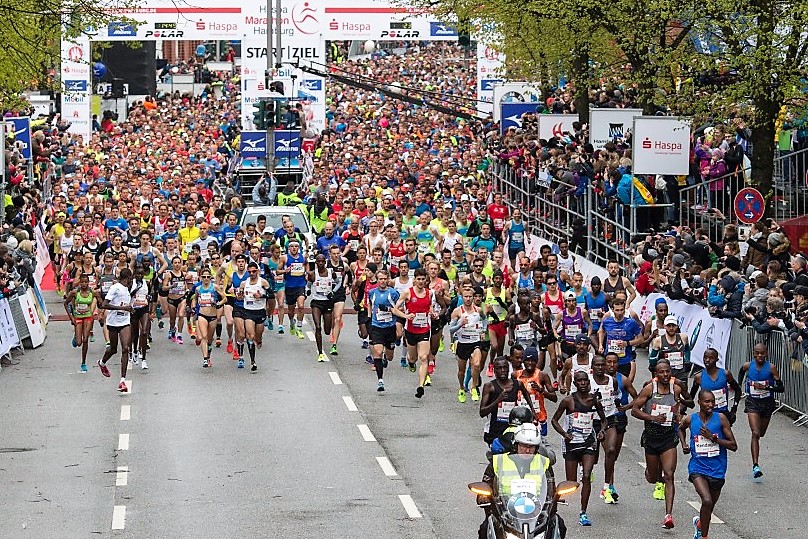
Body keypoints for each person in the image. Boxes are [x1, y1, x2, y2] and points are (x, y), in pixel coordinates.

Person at [631, 359, 691, 529]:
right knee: (653, 478)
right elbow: (635, 410)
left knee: (669, 474)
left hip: (668, 438)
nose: (665, 375)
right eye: (661, 372)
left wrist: (679, 415)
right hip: (651, 437)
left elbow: (684, 406)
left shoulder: (676, 389)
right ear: (656, 375)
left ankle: (668, 515)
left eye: (668, 372)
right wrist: (652, 418)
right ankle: (651, 473)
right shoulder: (650, 389)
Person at [478, 423, 557, 539]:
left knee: (557, 524)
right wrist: (482, 495)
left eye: (531, 446)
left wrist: (556, 497)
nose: (527, 450)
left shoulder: (544, 463)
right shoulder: (499, 462)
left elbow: (551, 489)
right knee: (485, 528)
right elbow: (486, 484)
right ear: (516, 444)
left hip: (536, 514)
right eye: (524, 445)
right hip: (505, 513)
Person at [679, 390, 738, 539]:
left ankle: (700, 523)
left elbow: (733, 446)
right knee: (706, 500)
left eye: (713, 401)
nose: (711, 404)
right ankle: (704, 536)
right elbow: (680, 428)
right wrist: (684, 444)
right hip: (697, 467)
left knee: (709, 507)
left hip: (717, 469)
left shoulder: (721, 419)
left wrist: (713, 438)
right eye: (707, 402)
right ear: (699, 402)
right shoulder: (691, 419)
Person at [551, 370, 606, 527]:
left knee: (587, 476)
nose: (583, 384)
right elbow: (554, 420)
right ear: (574, 384)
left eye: (585, 381)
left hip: (589, 442)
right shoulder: (568, 401)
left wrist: (601, 431)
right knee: (571, 483)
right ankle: (552, 501)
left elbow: (603, 420)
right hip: (572, 444)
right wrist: (564, 433)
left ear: (589, 383)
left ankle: (583, 512)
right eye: (580, 381)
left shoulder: (594, 400)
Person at [738, 343, 784, 478]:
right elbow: (741, 371)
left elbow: (781, 388)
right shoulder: (748, 366)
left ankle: (756, 462)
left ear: (766, 354)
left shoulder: (771, 368)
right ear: (753, 353)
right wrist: (739, 386)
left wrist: (767, 388)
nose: (759, 356)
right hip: (752, 402)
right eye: (757, 353)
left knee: (761, 433)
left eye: (762, 353)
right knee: (755, 432)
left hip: (767, 404)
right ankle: (755, 466)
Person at [392, 268, 436, 398]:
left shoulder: (429, 293)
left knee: (423, 357)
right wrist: (406, 316)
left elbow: (429, 306)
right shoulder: (407, 293)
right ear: (414, 280)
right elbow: (395, 310)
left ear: (426, 280)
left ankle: (420, 386)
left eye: (423, 279)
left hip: (424, 329)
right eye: (418, 279)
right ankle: (411, 363)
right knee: (413, 358)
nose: (421, 281)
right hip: (411, 330)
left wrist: (432, 313)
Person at [480, 356, 534, 447]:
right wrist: (497, 400)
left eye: (505, 367)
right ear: (494, 370)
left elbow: (526, 393)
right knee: (496, 457)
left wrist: (532, 409)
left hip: (513, 429)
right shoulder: (490, 387)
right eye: (499, 368)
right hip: (495, 430)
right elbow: (482, 412)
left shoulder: (517, 384)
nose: (503, 370)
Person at [97, 268, 134, 393]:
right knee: (113, 349)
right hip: (113, 322)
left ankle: (122, 380)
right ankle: (102, 363)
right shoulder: (115, 288)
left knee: (125, 349)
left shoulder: (127, 289)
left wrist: (129, 309)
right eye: (130, 278)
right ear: (127, 278)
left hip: (125, 322)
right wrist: (122, 308)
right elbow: (104, 304)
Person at [449, 287, 486, 402]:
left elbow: (485, 319)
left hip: (475, 342)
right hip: (463, 343)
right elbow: (451, 329)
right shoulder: (457, 311)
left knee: (476, 364)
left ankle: (473, 387)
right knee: (461, 371)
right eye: (466, 296)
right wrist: (460, 324)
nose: (468, 299)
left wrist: (483, 330)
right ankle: (461, 388)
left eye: (470, 296)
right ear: (462, 297)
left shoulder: (478, 310)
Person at [690, 347, 743, 424]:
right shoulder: (698, 377)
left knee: (725, 435)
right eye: (705, 357)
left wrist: (734, 409)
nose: (707, 360)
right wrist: (682, 406)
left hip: (723, 414)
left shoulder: (725, 374)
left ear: (717, 360)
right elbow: (691, 397)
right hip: (706, 416)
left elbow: (738, 390)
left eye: (711, 358)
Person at [367, 268, 400, 390]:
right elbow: (370, 304)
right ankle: (380, 380)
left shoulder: (393, 293)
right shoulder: (372, 292)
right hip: (377, 327)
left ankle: (387, 356)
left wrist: (390, 311)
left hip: (390, 327)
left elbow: (398, 308)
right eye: (380, 279)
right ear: (377, 279)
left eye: (385, 279)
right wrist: (369, 317)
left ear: (388, 280)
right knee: (378, 351)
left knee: (390, 356)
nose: (383, 281)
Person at [515, 346, 557, 441]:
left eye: (533, 360)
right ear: (523, 361)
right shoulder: (516, 375)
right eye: (527, 360)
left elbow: (554, 398)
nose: (530, 363)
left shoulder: (542, 376)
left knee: (540, 446)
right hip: (520, 419)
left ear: (537, 361)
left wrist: (541, 390)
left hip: (539, 418)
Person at [238, 261, 271, 371]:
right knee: (250, 335)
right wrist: (240, 295)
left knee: (257, 336)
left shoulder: (263, 282)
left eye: (253, 271)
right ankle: (253, 361)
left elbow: (271, 295)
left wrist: (261, 295)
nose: (251, 273)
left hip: (260, 311)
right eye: (249, 272)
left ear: (257, 271)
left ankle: (259, 340)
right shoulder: (244, 283)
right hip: (248, 312)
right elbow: (240, 295)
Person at [189, 267, 224, 368]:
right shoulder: (198, 289)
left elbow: (224, 298)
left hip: (213, 316)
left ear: (211, 277)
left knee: (209, 339)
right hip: (202, 315)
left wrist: (218, 303)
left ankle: (208, 356)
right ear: (200, 278)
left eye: (208, 277)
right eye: (204, 277)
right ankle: (205, 359)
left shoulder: (215, 287)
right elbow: (194, 298)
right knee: (203, 336)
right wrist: (193, 307)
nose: (206, 279)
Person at [308, 254, 338, 362]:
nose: (320, 263)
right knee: (318, 327)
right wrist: (307, 290)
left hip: (327, 302)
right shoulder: (312, 274)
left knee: (326, 329)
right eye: (318, 261)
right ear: (316, 263)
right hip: (316, 302)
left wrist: (333, 292)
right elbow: (308, 284)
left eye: (322, 261)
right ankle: (320, 352)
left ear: (325, 262)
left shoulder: (331, 272)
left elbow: (339, 283)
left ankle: (327, 331)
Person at [64, 273, 97, 372]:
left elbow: (100, 302)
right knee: (79, 343)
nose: (84, 284)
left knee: (85, 339)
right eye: (82, 282)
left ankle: (83, 363)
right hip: (78, 317)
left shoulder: (92, 292)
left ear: (88, 283)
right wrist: (71, 318)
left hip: (88, 317)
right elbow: (65, 303)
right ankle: (76, 336)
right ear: (79, 283)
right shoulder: (75, 293)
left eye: (86, 282)